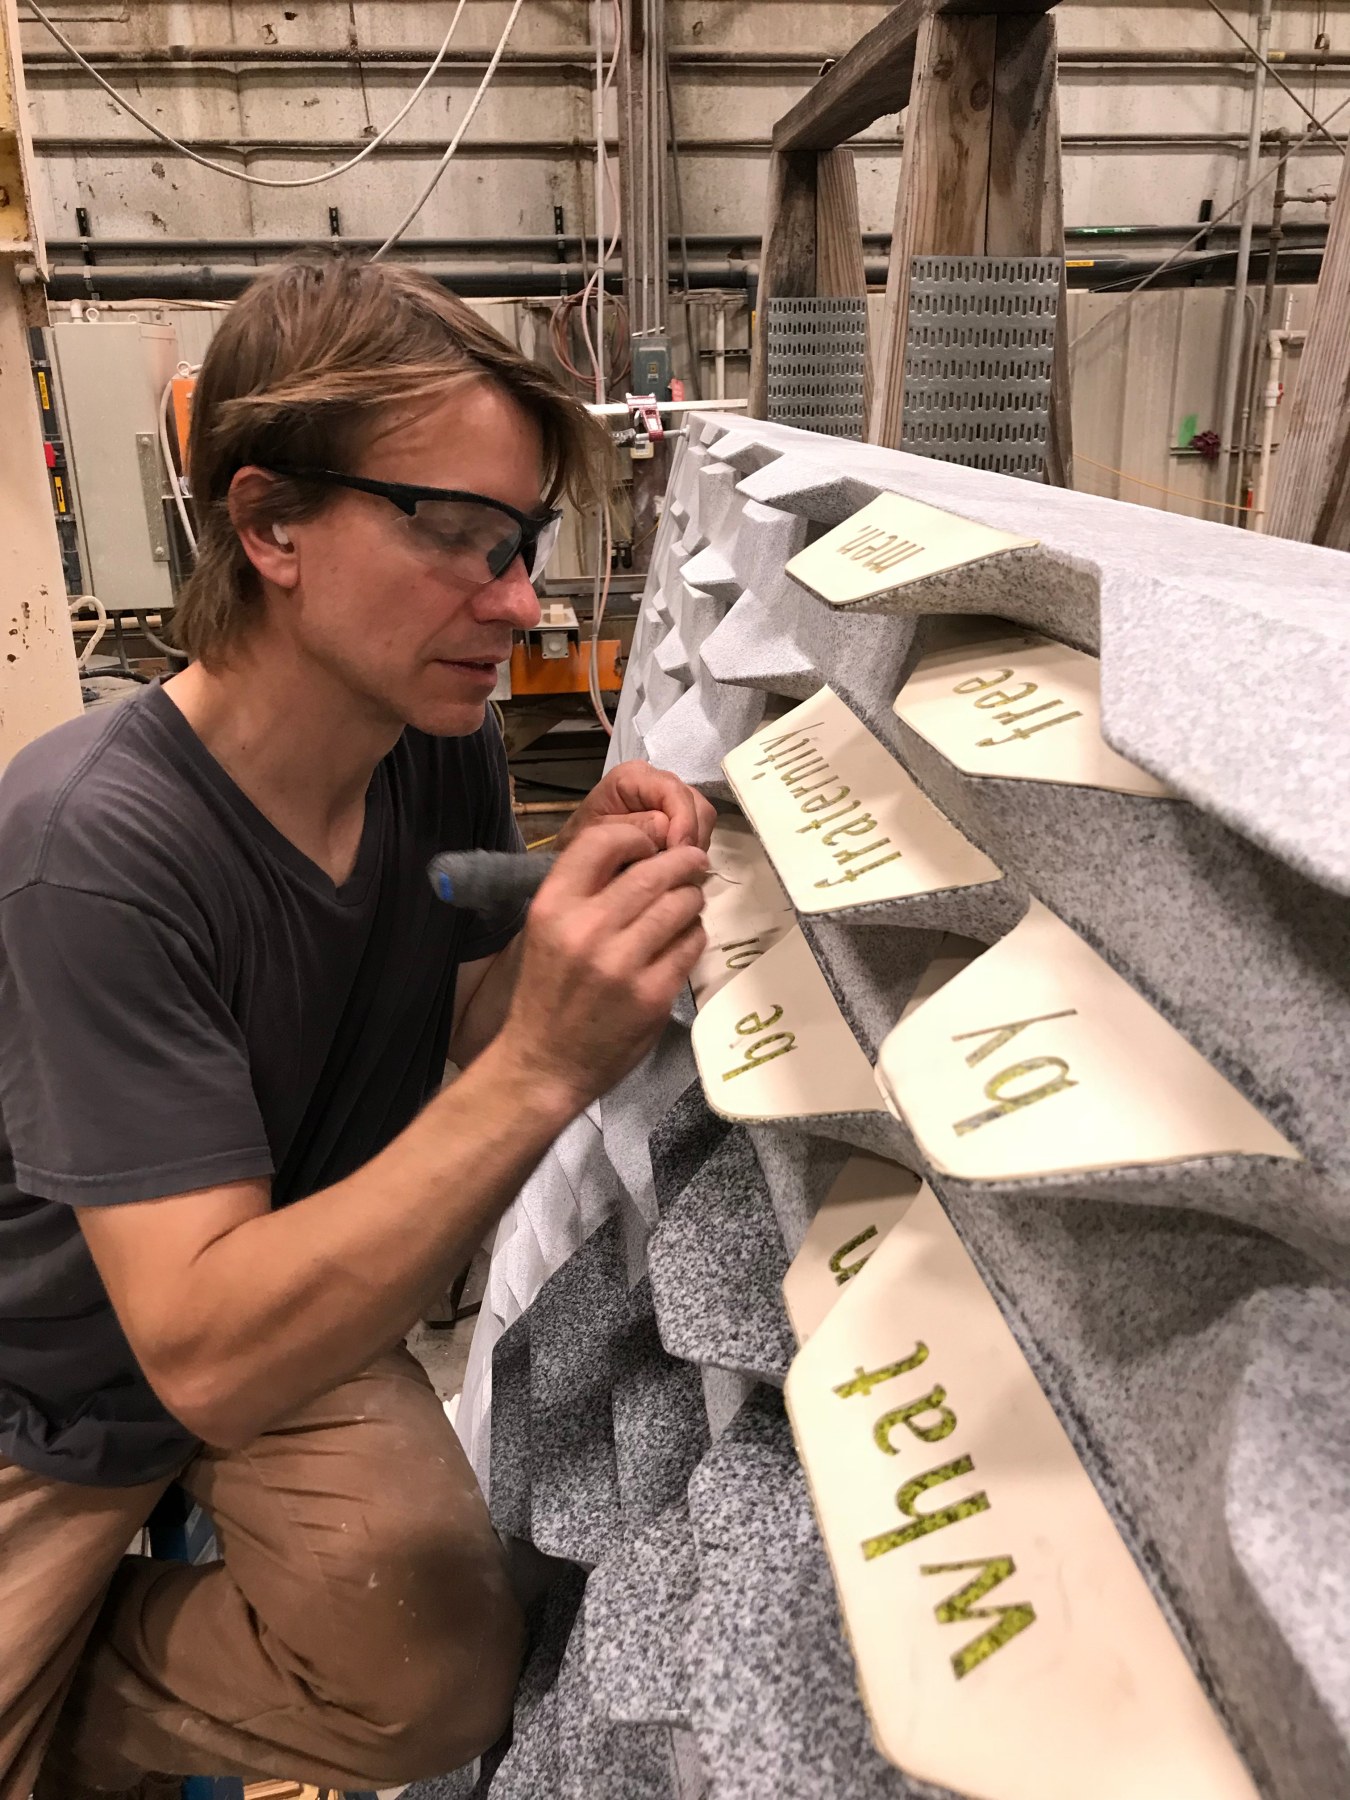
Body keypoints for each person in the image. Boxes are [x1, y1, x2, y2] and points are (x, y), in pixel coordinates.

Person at [0, 257, 714, 1800]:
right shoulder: (92, 849)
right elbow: (199, 1354)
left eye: (518, 545)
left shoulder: (420, 738)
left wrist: (571, 927)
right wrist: (544, 1063)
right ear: (268, 526)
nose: (517, 603)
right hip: (51, 1362)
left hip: (269, 1286)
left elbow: (451, 1007)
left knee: (430, 1678)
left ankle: (82, 1699)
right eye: (454, 538)